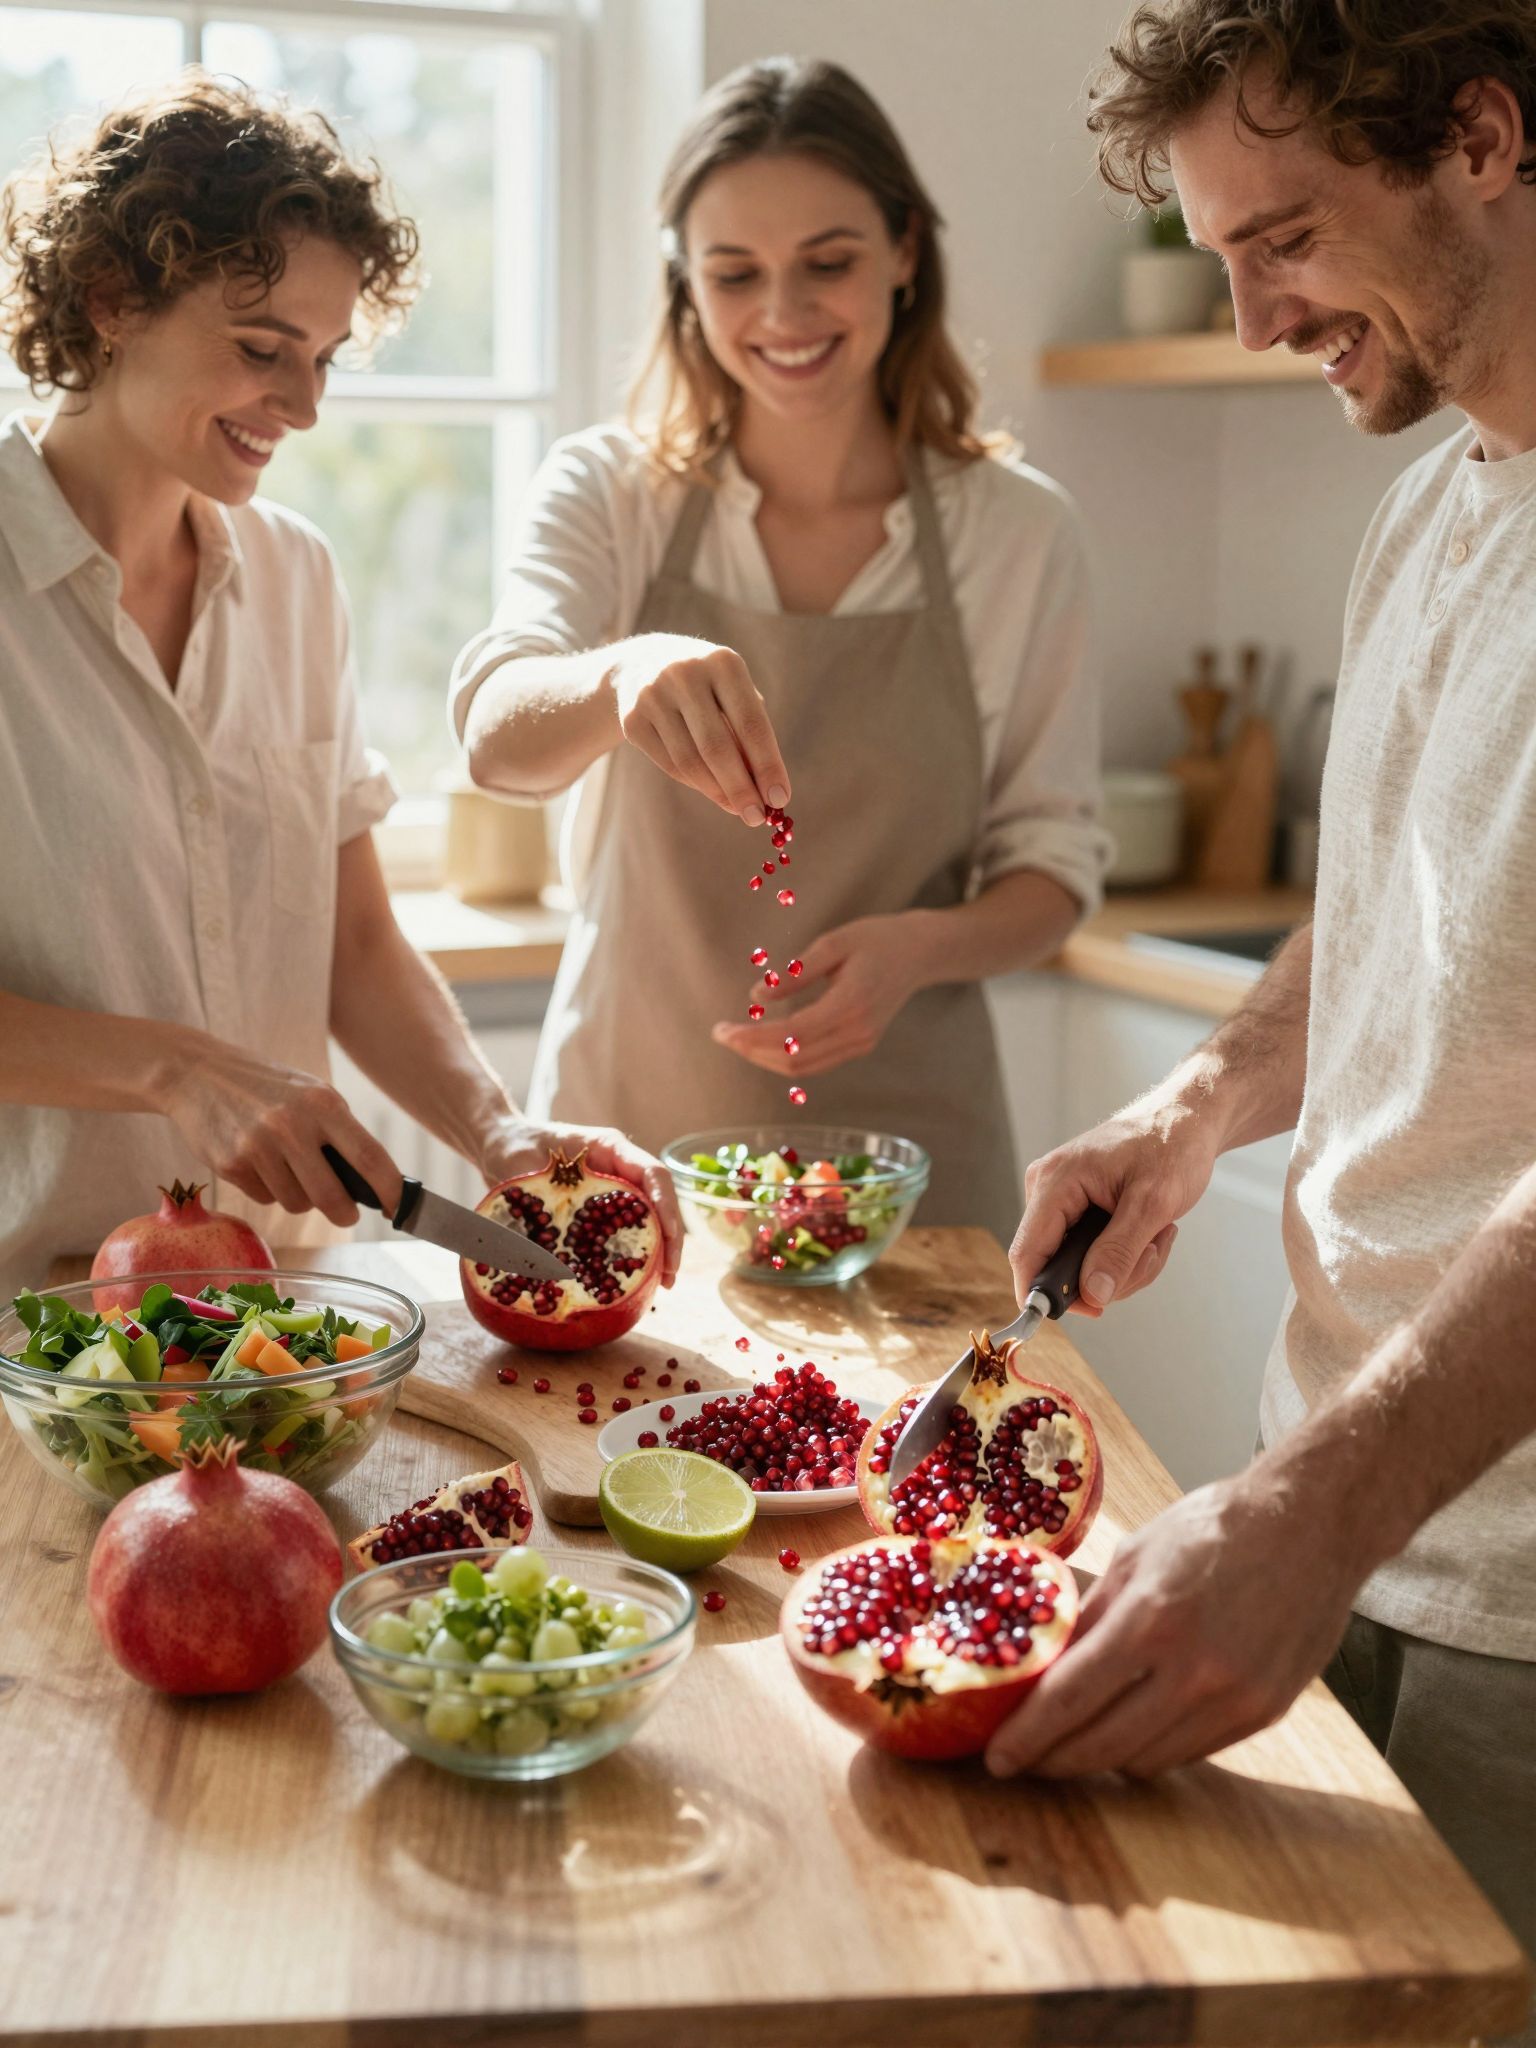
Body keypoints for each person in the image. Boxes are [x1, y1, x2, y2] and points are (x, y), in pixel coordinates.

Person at [985, 0, 1536, 2015]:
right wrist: (1200, 1100)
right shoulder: (1442, 498)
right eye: (1220, 257)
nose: (1249, 315)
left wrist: (1310, 1511)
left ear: (1481, 135)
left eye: (1285, 238)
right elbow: (1391, 922)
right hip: (1349, 1505)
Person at [0, 74, 680, 1298]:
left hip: (287, 1307)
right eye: (263, 350)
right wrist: (173, 1067)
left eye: (322, 358)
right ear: (111, 301)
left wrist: (497, 1132)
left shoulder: (297, 578)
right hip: (31, 1327)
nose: (306, 405)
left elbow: (356, 940)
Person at [452, 57, 1110, 1240]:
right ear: (684, 283)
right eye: (735, 272)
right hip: (626, 1144)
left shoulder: (1020, 533)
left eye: (829, 261)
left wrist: (921, 949)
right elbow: (496, 734)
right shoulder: (612, 494)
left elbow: (1052, 870)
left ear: (905, 249)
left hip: (917, 1173)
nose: (784, 314)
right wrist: (618, 674)